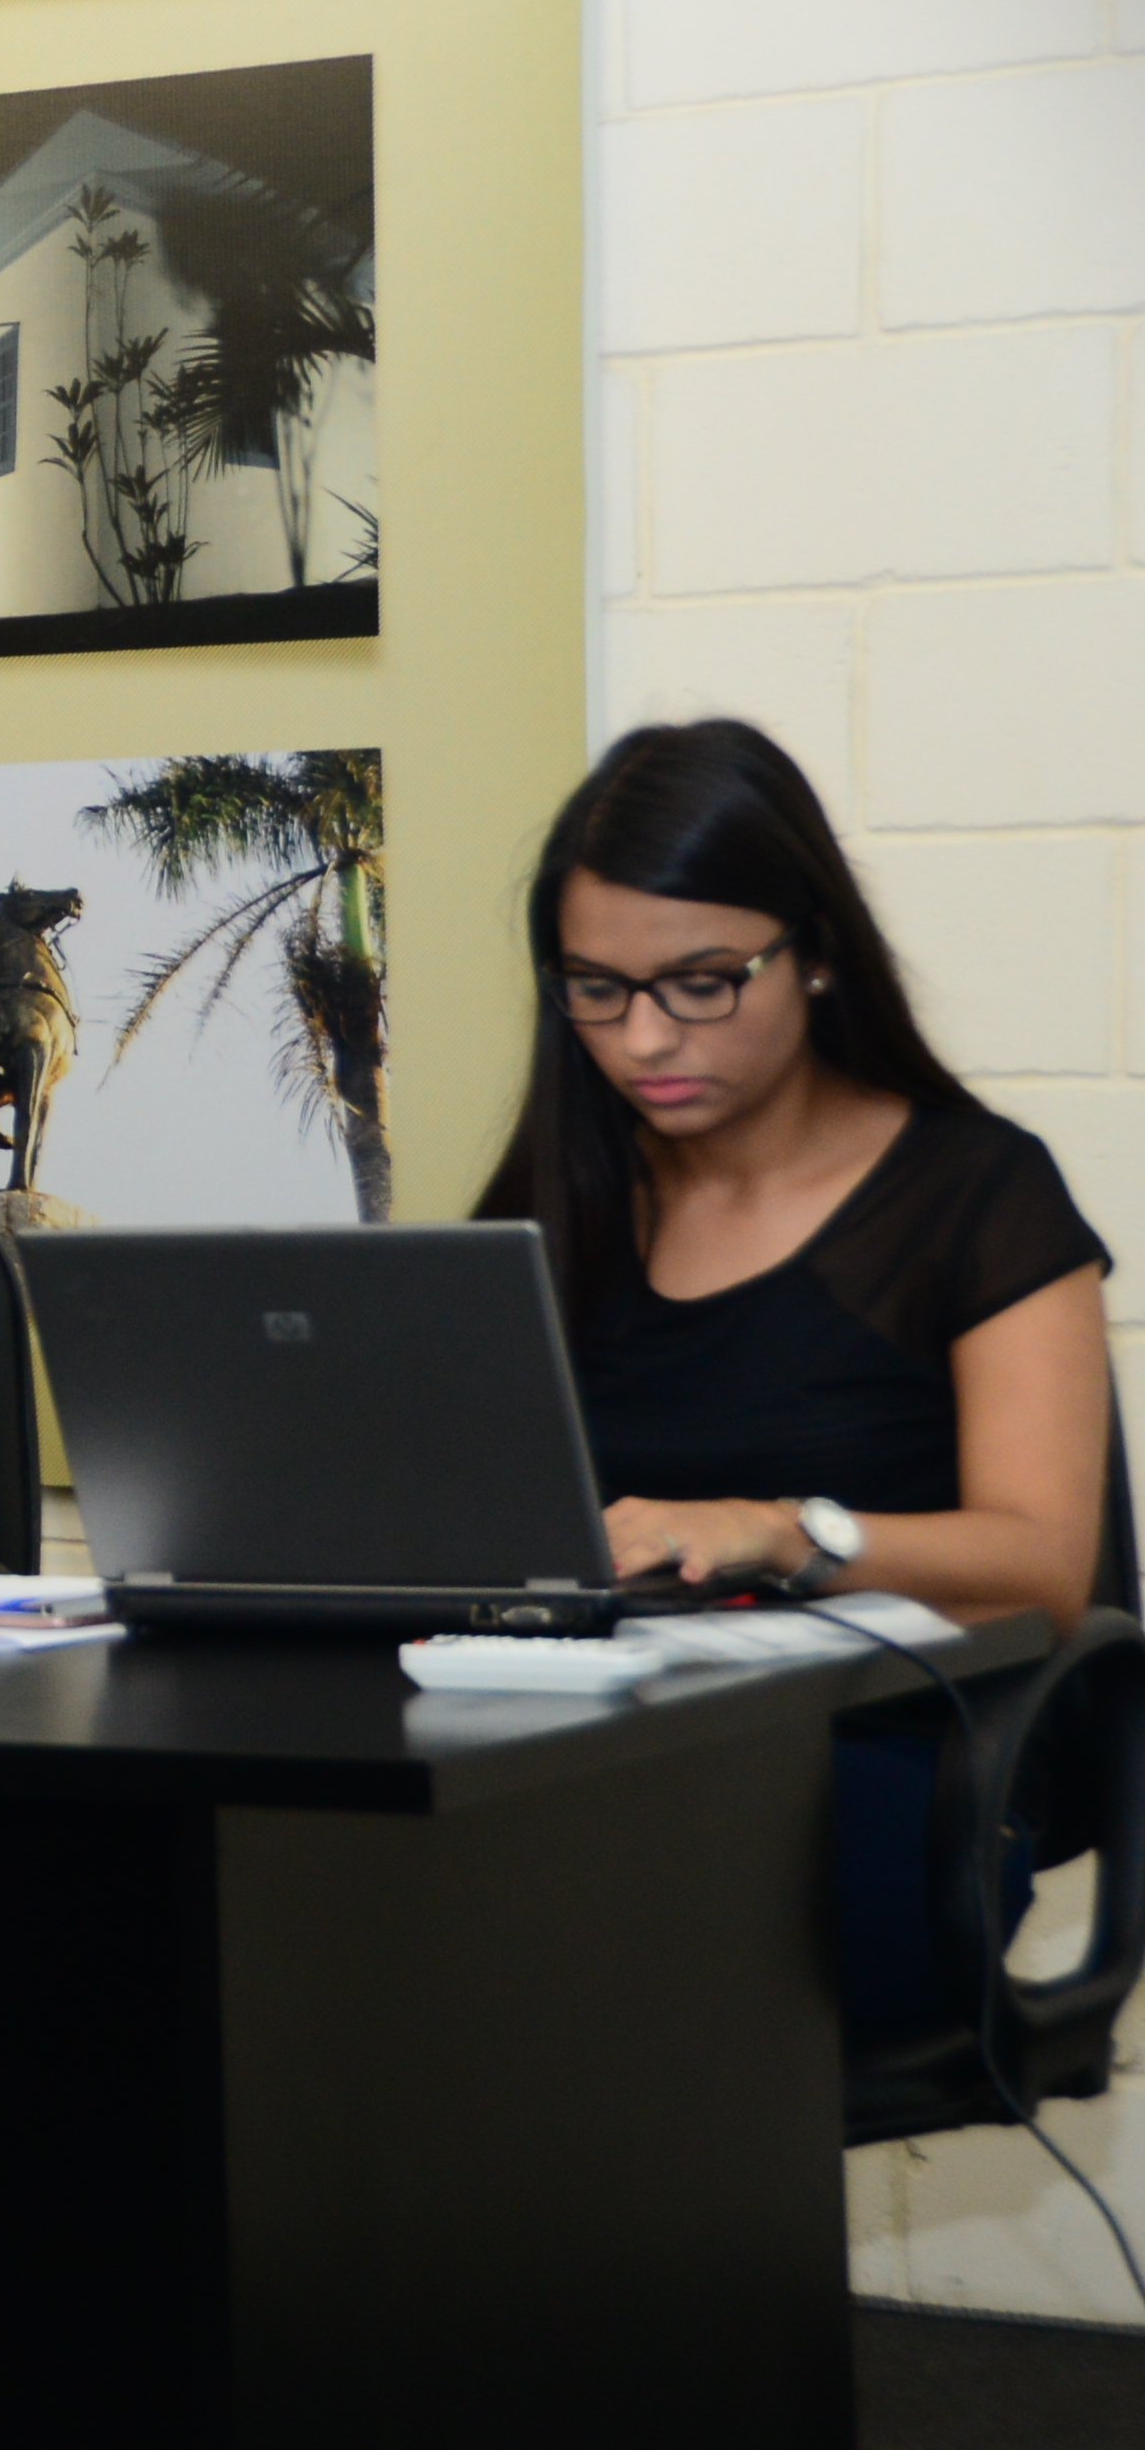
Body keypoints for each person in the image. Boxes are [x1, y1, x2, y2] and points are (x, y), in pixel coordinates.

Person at [475, 719, 1114, 2036]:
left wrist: (785, 1531)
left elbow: (1047, 1567)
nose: (645, 1038)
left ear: (814, 953)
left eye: (701, 983)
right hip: (587, 1749)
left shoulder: (975, 1194)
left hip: (873, 1766)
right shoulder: (562, 1197)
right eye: (596, 988)